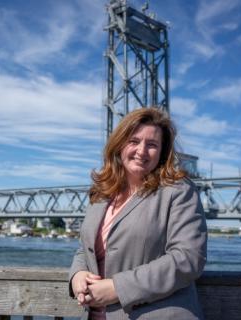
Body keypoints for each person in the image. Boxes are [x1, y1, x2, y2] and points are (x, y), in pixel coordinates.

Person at [69, 107, 207, 320]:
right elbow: (84, 249)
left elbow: (188, 258)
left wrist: (118, 287)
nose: (141, 151)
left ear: (162, 152)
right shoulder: (102, 193)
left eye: (152, 145)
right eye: (134, 141)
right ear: (120, 145)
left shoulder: (178, 190)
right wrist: (77, 275)